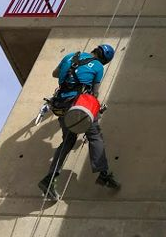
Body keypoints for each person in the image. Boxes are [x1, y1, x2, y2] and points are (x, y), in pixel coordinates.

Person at [38, 44, 121, 200]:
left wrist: (71, 73)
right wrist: (97, 110)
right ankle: (103, 175)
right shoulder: (98, 66)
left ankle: (49, 179)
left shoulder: (70, 56)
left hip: (60, 104)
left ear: (95, 50)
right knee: (95, 136)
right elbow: (94, 93)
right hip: (77, 105)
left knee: (68, 141)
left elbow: (55, 74)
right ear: (104, 60)